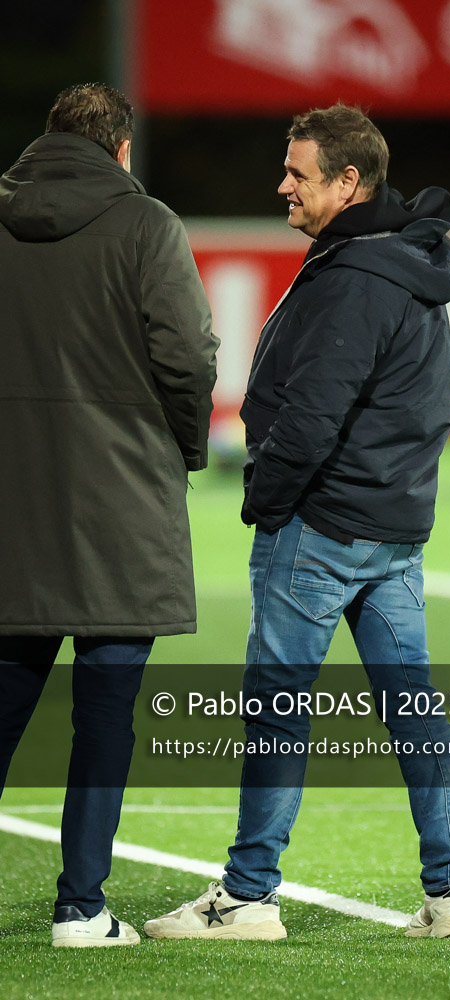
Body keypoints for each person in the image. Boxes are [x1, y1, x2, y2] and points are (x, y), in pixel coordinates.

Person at [145, 103, 450, 943]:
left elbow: (313, 412)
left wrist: (265, 498)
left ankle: (249, 897)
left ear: (348, 182)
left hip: (323, 524)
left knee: (277, 708)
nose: (282, 185)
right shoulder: (404, 263)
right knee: (414, 712)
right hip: (392, 528)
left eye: (298, 173)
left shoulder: (356, 277)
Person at [0, 82, 219, 947]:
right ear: (120, 149)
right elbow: (186, 356)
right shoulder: (146, 224)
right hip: (120, 502)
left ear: (46, 140)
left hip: (12, 503)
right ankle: (81, 908)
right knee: (105, 716)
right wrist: (182, 450)